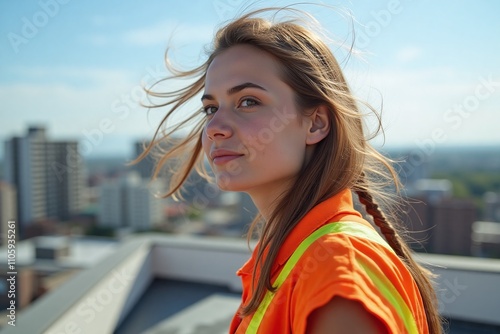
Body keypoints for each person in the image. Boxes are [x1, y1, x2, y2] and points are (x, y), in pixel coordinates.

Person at [136, 7, 442, 334]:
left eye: (248, 101)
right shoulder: (294, 256)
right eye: (211, 108)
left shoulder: (338, 268)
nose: (215, 127)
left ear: (316, 123)